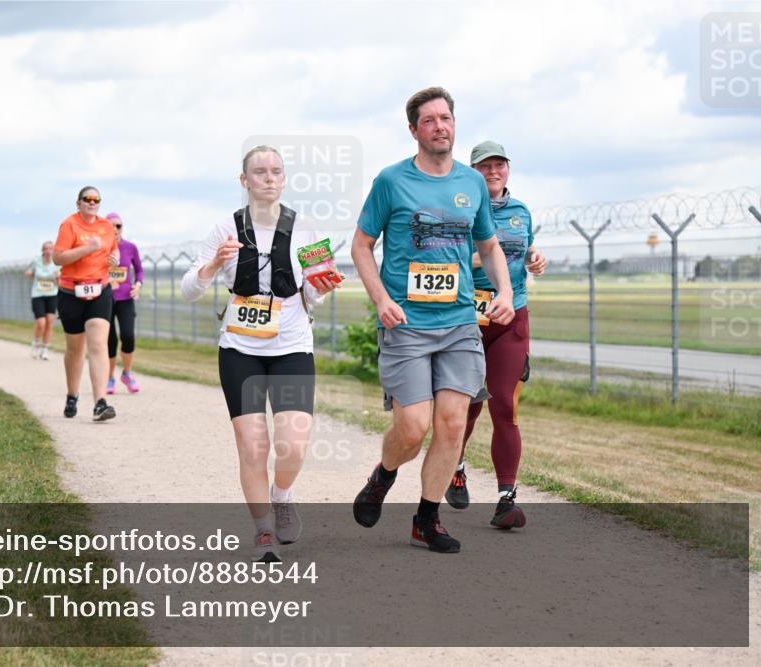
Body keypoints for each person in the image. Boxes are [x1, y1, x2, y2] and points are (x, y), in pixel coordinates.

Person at [350, 87, 515, 554]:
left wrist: (503, 290)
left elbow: (488, 246)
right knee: (413, 427)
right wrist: (380, 299)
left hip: (460, 322)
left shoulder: (471, 184)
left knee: (451, 424)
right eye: (429, 120)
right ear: (414, 130)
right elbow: (360, 246)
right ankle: (383, 476)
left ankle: (427, 518)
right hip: (406, 324)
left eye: (446, 118)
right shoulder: (391, 181)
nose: (440, 126)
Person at [182, 145, 338, 562]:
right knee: (253, 446)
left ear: (284, 179)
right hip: (239, 349)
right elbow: (189, 290)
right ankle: (264, 530)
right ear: (244, 180)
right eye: (259, 172)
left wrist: (318, 289)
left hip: (291, 346)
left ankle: (282, 494)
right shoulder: (224, 229)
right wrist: (214, 265)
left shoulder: (306, 229)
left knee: (293, 444)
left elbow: (313, 290)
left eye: (276, 171)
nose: (268, 178)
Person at [443, 140, 547, 528]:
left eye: (499, 165)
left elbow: (525, 248)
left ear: (508, 170)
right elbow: (450, 257)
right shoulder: (460, 208)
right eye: (484, 166)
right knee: (468, 405)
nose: (493, 172)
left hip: (511, 317)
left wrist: (535, 257)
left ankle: (507, 499)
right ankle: (456, 465)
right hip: (468, 318)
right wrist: (489, 253)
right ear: (472, 172)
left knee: (505, 404)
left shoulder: (521, 211)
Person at [52, 187, 120, 421]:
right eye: (87, 199)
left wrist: (115, 258)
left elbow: (114, 252)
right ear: (78, 203)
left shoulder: (106, 227)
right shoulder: (69, 225)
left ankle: (100, 402)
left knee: (98, 344)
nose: (92, 203)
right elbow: (58, 258)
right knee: (75, 349)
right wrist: (87, 248)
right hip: (71, 292)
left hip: (100, 289)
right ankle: (72, 394)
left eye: (96, 199)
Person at [104, 212, 144, 394]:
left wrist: (138, 285)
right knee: (110, 340)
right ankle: (110, 378)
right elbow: (92, 270)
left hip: (126, 298)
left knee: (128, 336)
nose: (115, 229)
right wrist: (106, 279)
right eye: (110, 225)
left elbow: (140, 270)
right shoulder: (100, 249)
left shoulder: (130, 247)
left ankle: (127, 373)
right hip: (105, 299)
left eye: (118, 226)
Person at [25, 241, 60, 360]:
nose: (48, 251)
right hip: (38, 294)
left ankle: (45, 349)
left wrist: (58, 277)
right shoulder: (36, 261)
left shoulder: (57, 263)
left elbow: (61, 282)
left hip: (52, 294)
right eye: (46, 248)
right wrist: (30, 273)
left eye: (51, 248)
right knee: (41, 323)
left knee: (49, 323)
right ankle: (36, 343)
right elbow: (28, 272)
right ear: (42, 250)